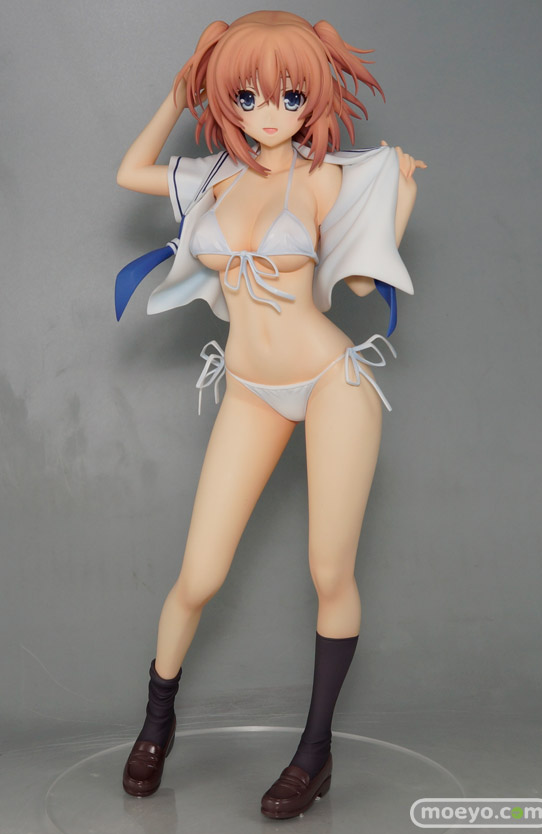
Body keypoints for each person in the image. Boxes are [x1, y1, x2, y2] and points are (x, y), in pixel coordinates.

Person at [116, 9, 426, 820]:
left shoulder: (323, 180)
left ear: (312, 100)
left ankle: (314, 754)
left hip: (331, 379)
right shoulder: (213, 178)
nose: (269, 114)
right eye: (248, 96)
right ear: (225, 98)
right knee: (199, 575)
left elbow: (360, 285)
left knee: (329, 572)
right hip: (250, 387)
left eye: (290, 97)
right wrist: (178, 90)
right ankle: (156, 723)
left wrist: (398, 200)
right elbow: (130, 171)